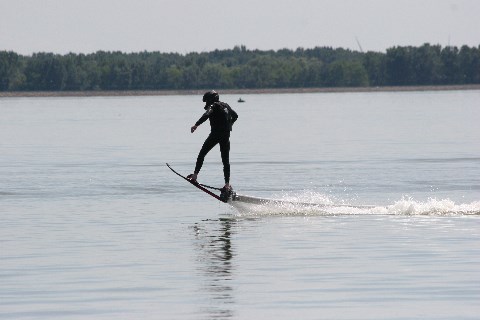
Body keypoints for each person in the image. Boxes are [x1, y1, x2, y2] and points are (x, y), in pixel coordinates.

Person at [188, 90, 238, 193]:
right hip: (226, 135)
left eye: (207, 101)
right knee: (225, 161)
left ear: (211, 100)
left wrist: (196, 125)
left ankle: (195, 176)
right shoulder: (226, 105)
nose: (206, 104)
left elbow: (206, 114)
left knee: (202, 153)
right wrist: (230, 124)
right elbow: (236, 115)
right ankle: (227, 185)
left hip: (216, 135)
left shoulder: (213, 106)